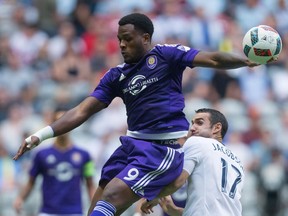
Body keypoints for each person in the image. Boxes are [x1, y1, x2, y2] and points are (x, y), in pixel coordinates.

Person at [13, 13, 258, 216]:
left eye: (127, 39)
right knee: (97, 207)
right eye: (119, 39)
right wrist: (41, 135)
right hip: (131, 146)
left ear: (145, 38)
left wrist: (244, 60)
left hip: (161, 149)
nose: (121, 44)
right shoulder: (116, 75)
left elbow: (213, 59)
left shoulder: (166, 55)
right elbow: (82, 110)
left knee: (111, 196)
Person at [141, 108, 245, 216]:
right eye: (192, 123)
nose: (192, 128)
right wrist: (174, 210)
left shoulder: (197, 141)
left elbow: (177, 182)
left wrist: (153, 197)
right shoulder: (237, 162)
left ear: (217, 127)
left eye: (199, 123)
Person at [13, 109, 95, 216]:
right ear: (53, 126)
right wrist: (20, 198)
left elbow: (90, 184)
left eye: (66, 123)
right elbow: (31, 182)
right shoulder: (41, 154)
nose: (63, 127)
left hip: (74, 212)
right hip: (48, 212)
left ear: (72, 125)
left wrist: (96, 207)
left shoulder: (84, 155)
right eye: (59, 122)